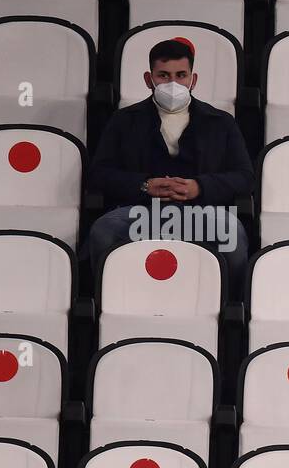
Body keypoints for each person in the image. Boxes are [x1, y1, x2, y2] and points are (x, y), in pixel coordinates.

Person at [85, 39, 253, 292]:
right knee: (103, 231)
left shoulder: (221, 122)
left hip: (200, 212)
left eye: (181, 75)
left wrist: (200, 187)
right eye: (163, 75)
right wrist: (144, 185)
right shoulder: (123, 121)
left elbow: (244, 177)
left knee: (231, 233)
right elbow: (99, 174)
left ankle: (230, 306)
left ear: (193, 80)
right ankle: (106, 299)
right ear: (148, 79)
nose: (173, 83)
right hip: (141, 211)